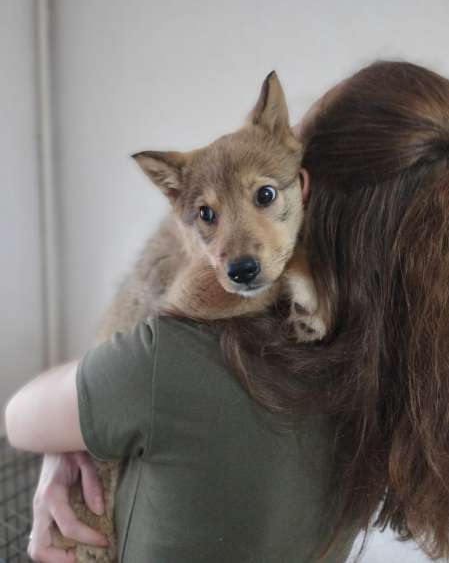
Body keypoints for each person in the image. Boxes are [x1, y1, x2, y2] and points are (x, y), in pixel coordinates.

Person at [6, 60, 449, 562]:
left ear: (306, 188)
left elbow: (20, 417)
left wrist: (69, 439)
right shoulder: (397, 375)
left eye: (266, 195)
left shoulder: (185, 358)